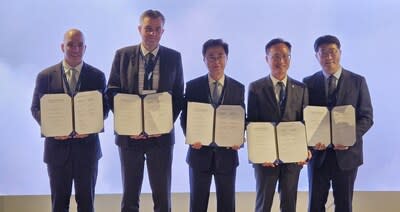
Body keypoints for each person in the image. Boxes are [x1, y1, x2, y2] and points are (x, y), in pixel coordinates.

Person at [106, 9, 184, 212]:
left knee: (162, 196)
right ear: (139, 29)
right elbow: (112, 91)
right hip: (130, 137)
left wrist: (163, 125)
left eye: (157, 30)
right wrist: (129, 124)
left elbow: (178, 97)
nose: (152, 34)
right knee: (130, 195)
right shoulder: (122, 55)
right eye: (148, 29)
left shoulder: (173, 58)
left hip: (161, 137)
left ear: (162, 32)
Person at [31, 28, 108, 212]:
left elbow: (104, 109)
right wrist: (52, 128)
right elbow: (35, 108)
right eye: (71, 44)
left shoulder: (97, 76)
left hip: (87, 151)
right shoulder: (45, 76)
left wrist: (90, 127)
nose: (75, 49)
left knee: (87, 205)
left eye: (80, 45)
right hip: (57, 152)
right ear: (62, 46)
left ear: (85, 48)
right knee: (58, 205)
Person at [304, 35, 373, 212]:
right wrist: (309, 142)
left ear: (340, 53)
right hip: (318, 155)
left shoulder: (358, 81)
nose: (328, 57)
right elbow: (303, 118)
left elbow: (366, 117)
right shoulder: (308, 83)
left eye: (332, 52)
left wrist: (349, 137)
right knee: (314, 205)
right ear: (316, 56)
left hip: (347, 155)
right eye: (323, 53)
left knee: (344, 205)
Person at [180, 39, 245, 212]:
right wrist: (191, 136)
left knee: (227, 205)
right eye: (211, 57)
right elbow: (185, 117)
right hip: (199, 154)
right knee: (197, 205)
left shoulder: (238, 88)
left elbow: (241, 118)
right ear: (204, 59)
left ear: (227, 58)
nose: (216, 61)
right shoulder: (193, 86)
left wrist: (240, 138)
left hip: (227, 156)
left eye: (220, 56)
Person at [247, 38, 309, 212]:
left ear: (290, 59)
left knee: (289, 205)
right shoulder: (256, 88)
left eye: (284, 56)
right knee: (263, 204)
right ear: (266, 59)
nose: (280, 61)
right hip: (265, 160)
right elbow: (252, 123)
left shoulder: (301, 88)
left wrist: (305, 150)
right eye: (275, 56)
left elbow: (305, 123)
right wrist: (259, 155)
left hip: (292, 159)